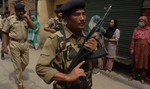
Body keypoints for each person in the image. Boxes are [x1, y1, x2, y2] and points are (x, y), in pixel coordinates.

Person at [36, 0, 98, 89]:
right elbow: (41, 68)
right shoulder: (55, 39)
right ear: (66, 18)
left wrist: (94, 53)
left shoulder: (88, 38)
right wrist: (67, 77)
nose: (82, 18)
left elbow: (95, 66)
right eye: (77, 14)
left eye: (83, 14)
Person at [2, 3, 35, 89]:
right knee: (17, 64)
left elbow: (34, 27)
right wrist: (5, 46)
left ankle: (18, 71)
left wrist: (28, 17)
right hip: (14, 43)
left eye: (22, 11)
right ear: (15, 11)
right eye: (19, 11)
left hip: (25, 43)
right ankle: (20, 82)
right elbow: (5, 33)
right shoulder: (10, 19)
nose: (21, 13)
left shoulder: (25, 18)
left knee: (25, 62)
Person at [129, 16, 150, 84]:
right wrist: (132, 48)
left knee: (144, 63)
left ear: (145, 22)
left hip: (146, 49)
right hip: (137, 48)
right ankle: (133, 75)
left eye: (142, 21)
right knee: (136, 61)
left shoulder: (149, 30)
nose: (140, 22)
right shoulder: (136, 29)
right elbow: (133, 40)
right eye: (139, 21)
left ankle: (142, 78)